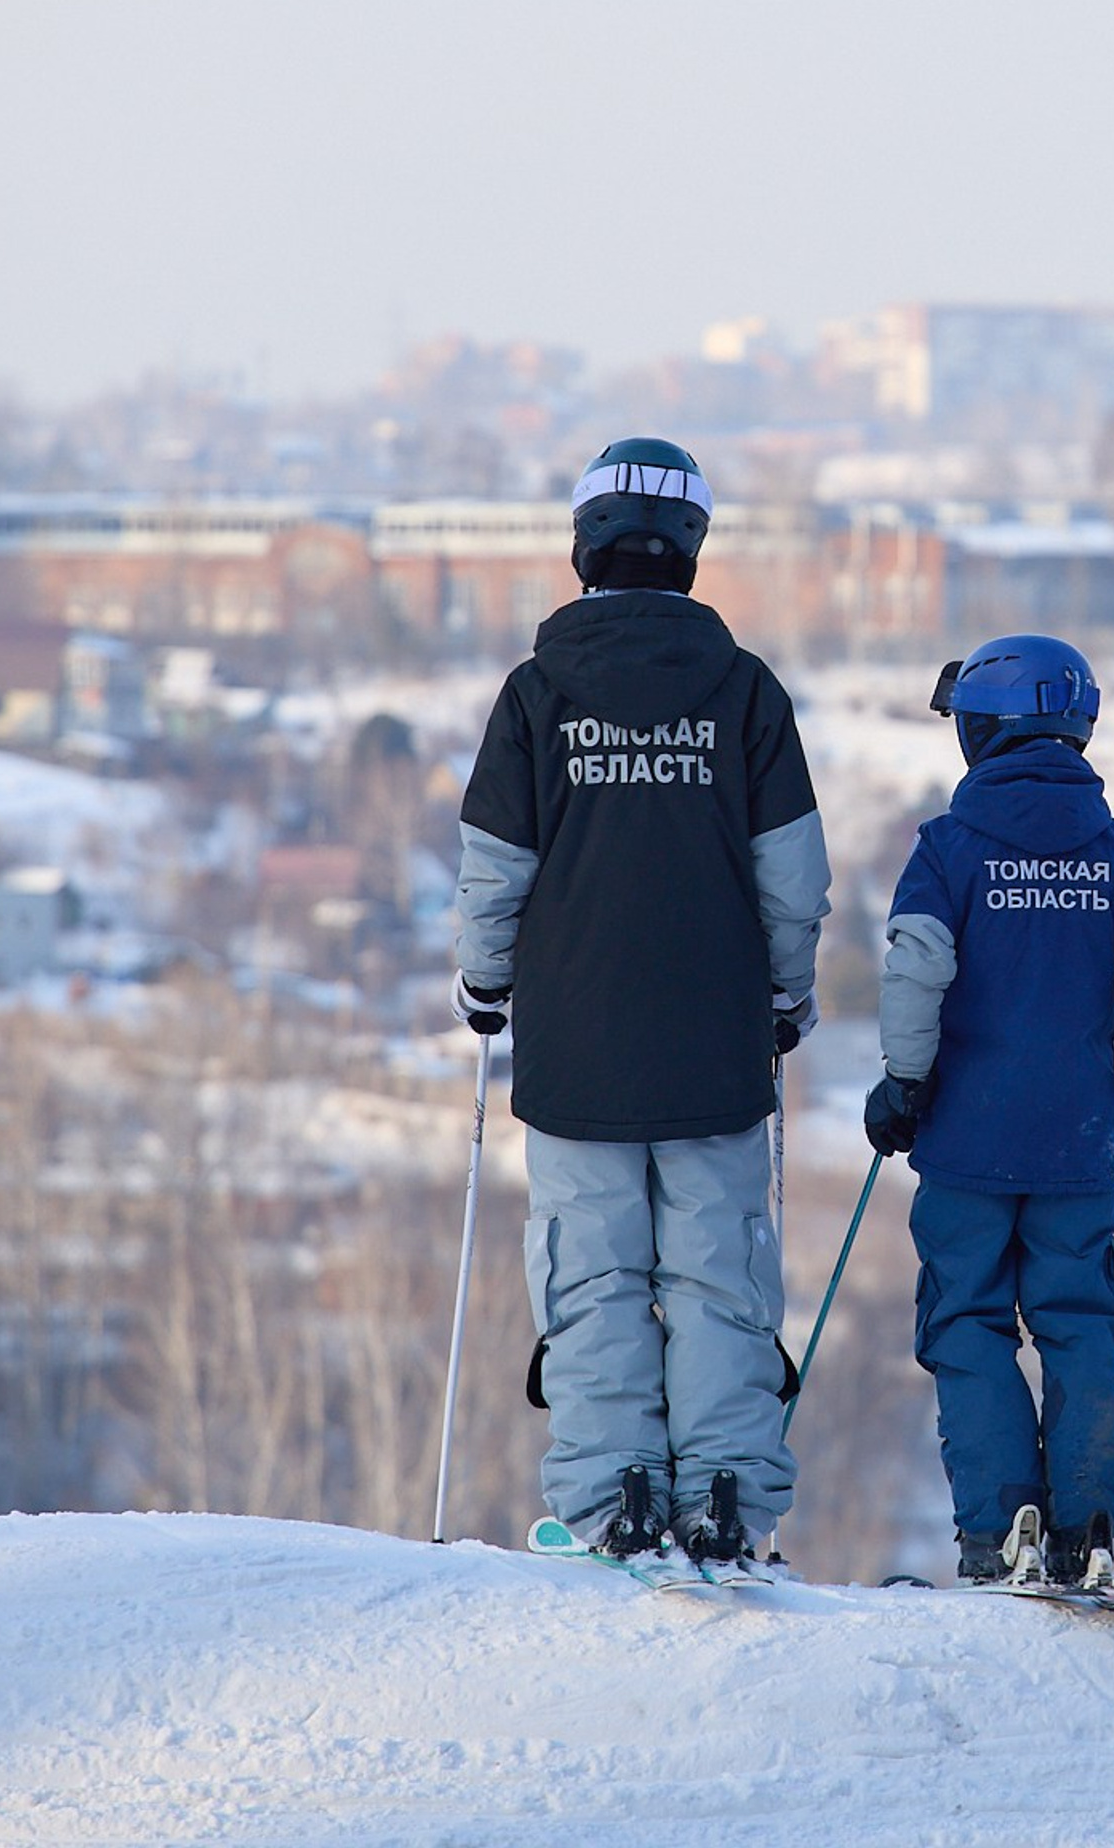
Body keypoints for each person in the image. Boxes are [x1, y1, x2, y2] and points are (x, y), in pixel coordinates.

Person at [452, 436, 829, 1565]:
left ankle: (612, 1495)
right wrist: (785, 995)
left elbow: (494, 870)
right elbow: (793, 875)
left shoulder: (534, 696)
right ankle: (725, 1497)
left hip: (574, 1052)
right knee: (718, 1277)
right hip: (716, 1049)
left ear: (584, 544)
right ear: (692, 547)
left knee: (593, 1275)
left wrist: (483, 983)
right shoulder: (746, 692)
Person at [862, 633, 1114, 1589]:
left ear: (983, 729)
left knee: (967, 1323)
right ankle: (1088, 1527)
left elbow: (916, 971)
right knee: (1080, 1324)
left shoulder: (947, 849)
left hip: (965, 1141)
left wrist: (904, 1084)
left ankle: (1000, 1530)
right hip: (1079, 1145)